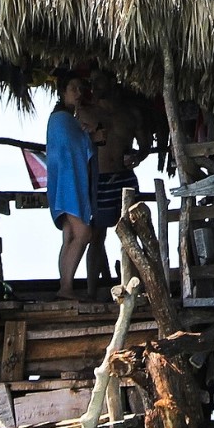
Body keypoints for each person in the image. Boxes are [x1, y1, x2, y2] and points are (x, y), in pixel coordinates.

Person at [85, 71, 148, 287]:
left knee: (132, 231)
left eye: (99, 80)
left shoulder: (130, 113)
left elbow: (145, 145)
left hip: (125, 179)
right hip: (99, 179)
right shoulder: (85, 113)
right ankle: (92, 289)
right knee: (96, 235)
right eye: (92, 82)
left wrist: (137, 156)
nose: (94, 85)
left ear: (112, 81)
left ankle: (134, 283)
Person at [46, 77, 99, 300]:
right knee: (83, 233)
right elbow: (73, 147)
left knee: (69, 235)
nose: (78, 92)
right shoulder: (61, 119)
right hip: (68, 182)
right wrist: (91, 136)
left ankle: (65, 286)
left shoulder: (65, 118)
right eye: (72, 88)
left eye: (80, 88)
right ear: (62, 91)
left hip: (64, 182)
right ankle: (65, 286)